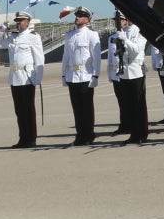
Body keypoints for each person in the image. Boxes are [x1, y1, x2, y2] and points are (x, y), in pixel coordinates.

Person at [106, 12, 149, 143]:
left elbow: (136, 49)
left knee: (139, 105)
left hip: (136, 72)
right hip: (124, 72)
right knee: (129, 105)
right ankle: (134, 134)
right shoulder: (123, 31)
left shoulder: (140, 31)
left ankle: (142, 134)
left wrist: (124, 39)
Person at [61, 9, 101, 146]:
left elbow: (96, 57)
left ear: (87, 20)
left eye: (81, 16)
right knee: (77, 108)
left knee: (87, 108)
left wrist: (95, 75)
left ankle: (88, 135)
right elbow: (66, 56)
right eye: (77, 16)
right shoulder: (70, 35)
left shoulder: (91, 35)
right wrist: (63, 74)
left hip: (86, 76)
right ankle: (80, 136)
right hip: (72, 77)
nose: (77, 18)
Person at [4, 12, 43, 149]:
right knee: (19, 110)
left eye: (21, 20)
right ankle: (23, 138)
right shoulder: (13, 37)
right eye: (17, 21)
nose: (18, 23)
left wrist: (38, 77)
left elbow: (39, 58)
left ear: (27, 22)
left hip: (27, 77)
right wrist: (0, 32)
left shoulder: (33, 37)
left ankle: (31, 138)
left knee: (29, 110)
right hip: (14, 77)